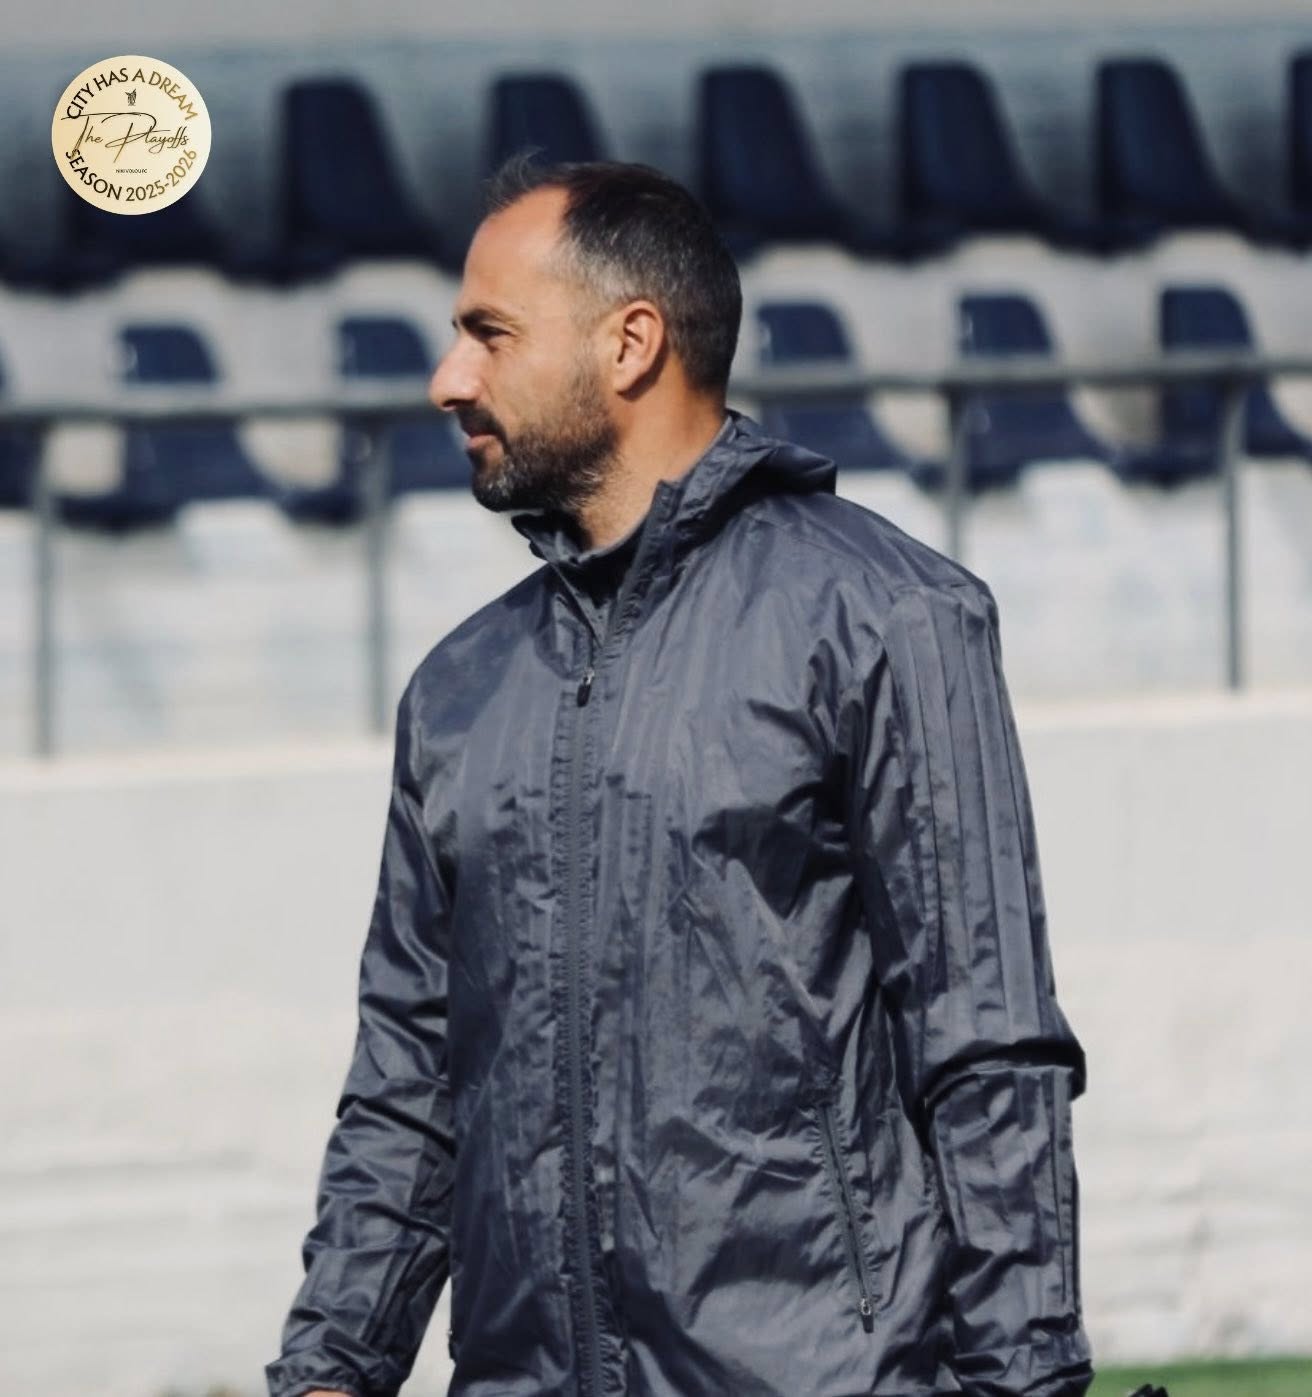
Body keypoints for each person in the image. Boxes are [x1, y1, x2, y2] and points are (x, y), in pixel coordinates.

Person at [266, 158, 1092, 1397]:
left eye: (490, 333)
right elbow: (411, 1081)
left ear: (630, 342)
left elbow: (986, 1044)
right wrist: (331, 1367)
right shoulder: (458, 689)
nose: (449, 379)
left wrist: (1021, 1377)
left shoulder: (888, 616)